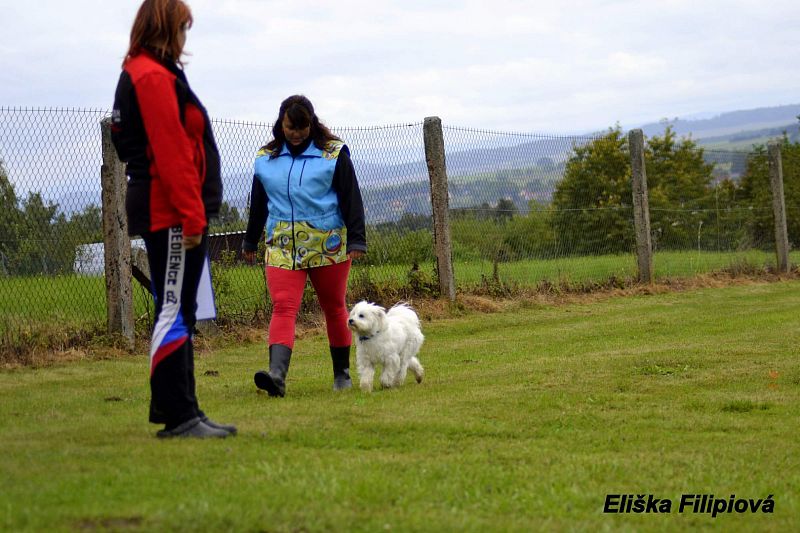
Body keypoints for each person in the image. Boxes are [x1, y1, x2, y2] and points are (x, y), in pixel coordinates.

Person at [110, 0, 236, 438]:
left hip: (172, 208)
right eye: (182, 28)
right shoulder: (149, 76)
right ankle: (180, 416)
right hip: (171, 212)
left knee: (181, 308)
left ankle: (185, 410)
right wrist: (192, 214)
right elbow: (171, 151)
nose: (185, 38)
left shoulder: (155, 72)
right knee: (173, 309)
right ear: (164, 27)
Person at [243, 95, 367, 397]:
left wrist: (357, 239)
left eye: (302, 127)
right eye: (290, 127)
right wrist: (250, 239)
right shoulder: (265, 158)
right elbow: (258, 203)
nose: (296, 133)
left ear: (312, 124)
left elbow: (351, 197)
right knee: (283, 307)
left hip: (328, 243)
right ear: (280, 125)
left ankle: (342, 375)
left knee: (334, 307)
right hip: (282, 244)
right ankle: (277, 376)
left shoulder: (333, 154)